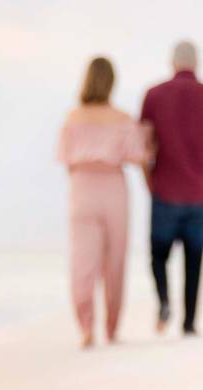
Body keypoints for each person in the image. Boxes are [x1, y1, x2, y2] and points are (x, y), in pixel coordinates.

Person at [141, 41, 203, 336]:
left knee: (158, 256)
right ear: (198, 63)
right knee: (194, 261)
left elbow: (144, 146)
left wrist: (149, 180)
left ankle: (165, 302)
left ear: (172, 63)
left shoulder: (153, 95)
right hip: (199, 192)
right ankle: (190, 323)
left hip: (164, 189)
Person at [57, 57, 148, 349]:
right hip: (113, 187)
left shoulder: (72, 118)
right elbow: (138, 156)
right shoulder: (122, 118)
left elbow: (66, 159)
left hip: (81, 187)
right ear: (112, 82)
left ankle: (86, 328)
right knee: (115, 260)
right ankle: (111, 329)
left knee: (82, 262)